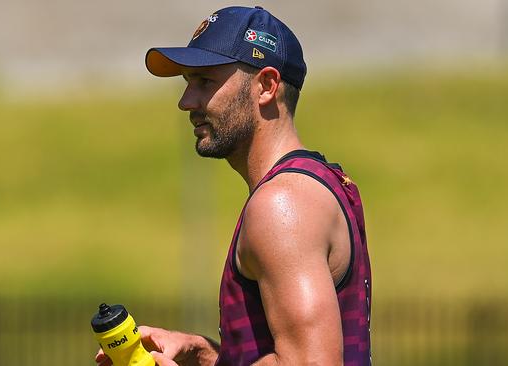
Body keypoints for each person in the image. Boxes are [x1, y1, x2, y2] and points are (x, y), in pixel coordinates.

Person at [96, 6, 372, 366]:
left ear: (266, 86)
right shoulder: (318, 183)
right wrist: (209, 356)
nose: (186, 102)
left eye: (205, 82)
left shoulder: (282, 205)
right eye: (187, 83)